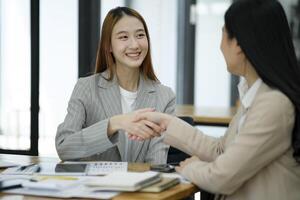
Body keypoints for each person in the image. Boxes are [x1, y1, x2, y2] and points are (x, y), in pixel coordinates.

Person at [131, 0, 300, 199]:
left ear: (237, 44)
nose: (220, 46)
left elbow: (223, 176)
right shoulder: (254, 93)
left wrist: (191, 167)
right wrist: (167, 123)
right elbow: (222, 150)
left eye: (223, 34)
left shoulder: (273, 104)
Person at [55, 7, 175, 164]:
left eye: (140, 35)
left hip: (141, 186)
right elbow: (64, 147)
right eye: (123, 37)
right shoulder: (86, 88)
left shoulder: (165, 97)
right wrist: (114, 123)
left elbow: (156, 164)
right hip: (95, 186)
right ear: (108, 46)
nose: (134, 44)